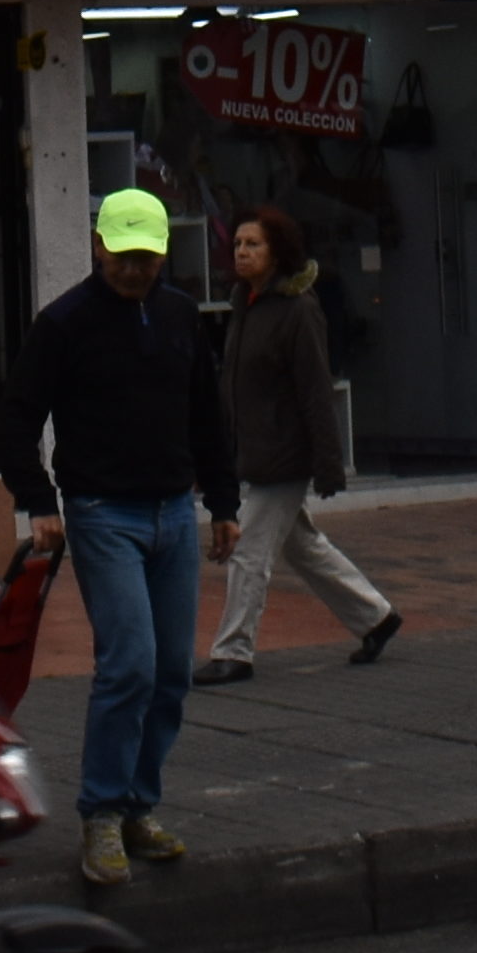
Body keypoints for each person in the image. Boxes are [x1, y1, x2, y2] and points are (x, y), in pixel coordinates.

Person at [3, 189, 240, 888]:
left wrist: (223, 501)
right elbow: (17, 417)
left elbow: (207, 413)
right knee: (129, 663)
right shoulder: (63, 323)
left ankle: (139, 804)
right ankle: (102, 812)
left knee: (171, 672)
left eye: (147, 256)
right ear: (97, 246)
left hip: (175, 512)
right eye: (123, 255)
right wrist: (37, 501)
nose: (135, 269)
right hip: (103, 513)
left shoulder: (179, 315)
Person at [195, 208, 399, 685]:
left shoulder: (298, 309)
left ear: (278, 252)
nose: (242, 252)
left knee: (248, 551)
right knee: (303, 546)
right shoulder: (245, 303)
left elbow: (314, 391)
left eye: (254, 244)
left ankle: (233, 651)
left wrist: (328, 463)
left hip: (284, 455)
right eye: (238, 244)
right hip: (257, 451)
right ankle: (376, 617)